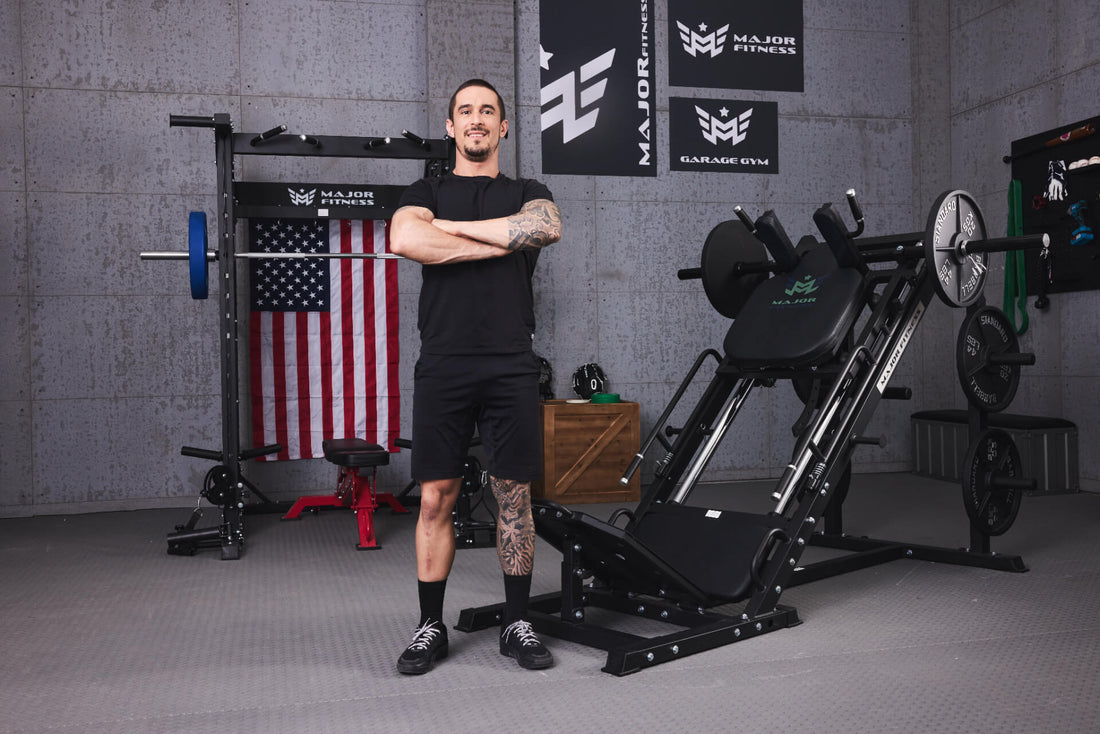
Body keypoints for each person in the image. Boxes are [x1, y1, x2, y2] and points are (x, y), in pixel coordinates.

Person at [389, 79, 562, 674]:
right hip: (444, 363)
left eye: (488, 111)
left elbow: (544, 226)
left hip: (511, 361)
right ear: (451, 126)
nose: (477, 120)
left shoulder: (527, 190)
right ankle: (429, 627)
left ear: (504, 126)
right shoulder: (426, 189)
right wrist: (497, 240)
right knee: (436, 497)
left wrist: (452, 231)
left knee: (513, 497)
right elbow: (404, 236)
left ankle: (518, 622)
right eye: (465, 111)